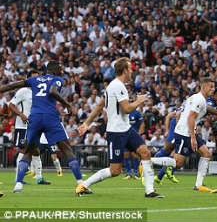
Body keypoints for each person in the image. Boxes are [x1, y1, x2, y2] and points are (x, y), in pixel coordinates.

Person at [76, 58, 175, 198]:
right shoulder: (118, 86)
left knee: (145, 152)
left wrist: (86, 123)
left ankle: (150, 191)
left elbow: (99, 106)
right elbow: (127, 108)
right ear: (124, 70)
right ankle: (84, 185)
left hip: (126, 129)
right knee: (115, 170)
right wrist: (139, 101)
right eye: (130, 68)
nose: (132, 71)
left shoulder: (113, 86)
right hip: (116, 132)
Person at [0, 61, 84, 193]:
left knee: (28, 152)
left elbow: (14, 85)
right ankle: (81, 183)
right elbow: (52, 91)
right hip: (50, 117)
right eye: (60, 68)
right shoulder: (57, 79)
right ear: (54, 69)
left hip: (35, 117)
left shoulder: (34, 79)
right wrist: (67, 104)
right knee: (67, 149)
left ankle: (18, 185)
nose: (62, 70)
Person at [172, 77, 217, 191]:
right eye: (211, 87)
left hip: (188, 131)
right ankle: (149, 161)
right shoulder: (199, 99)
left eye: (214, 87)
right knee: (178, 163)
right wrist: (193, 137)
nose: (213, 89)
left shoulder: (196, 97)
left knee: (206, 154)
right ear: (204, 87)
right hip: (184, 133)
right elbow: (190, 117)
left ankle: (198, 185)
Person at [9, 84, 51, 185]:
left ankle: (39, 178)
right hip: (23, 126)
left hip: (34, 126)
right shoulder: (23, 91)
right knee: (23, 150)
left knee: (36, 150)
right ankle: (18, 178)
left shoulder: (39, 93)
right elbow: (11, 105)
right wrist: (21, 114)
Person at [123, 109, 144, 180]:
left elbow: (142, 123)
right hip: (124, 135)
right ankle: (128, 173)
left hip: (133, 136)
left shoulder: (136, 112)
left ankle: (136, 173)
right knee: (125, 154)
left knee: (134, 154)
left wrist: (139, 134)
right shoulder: (123, 112)